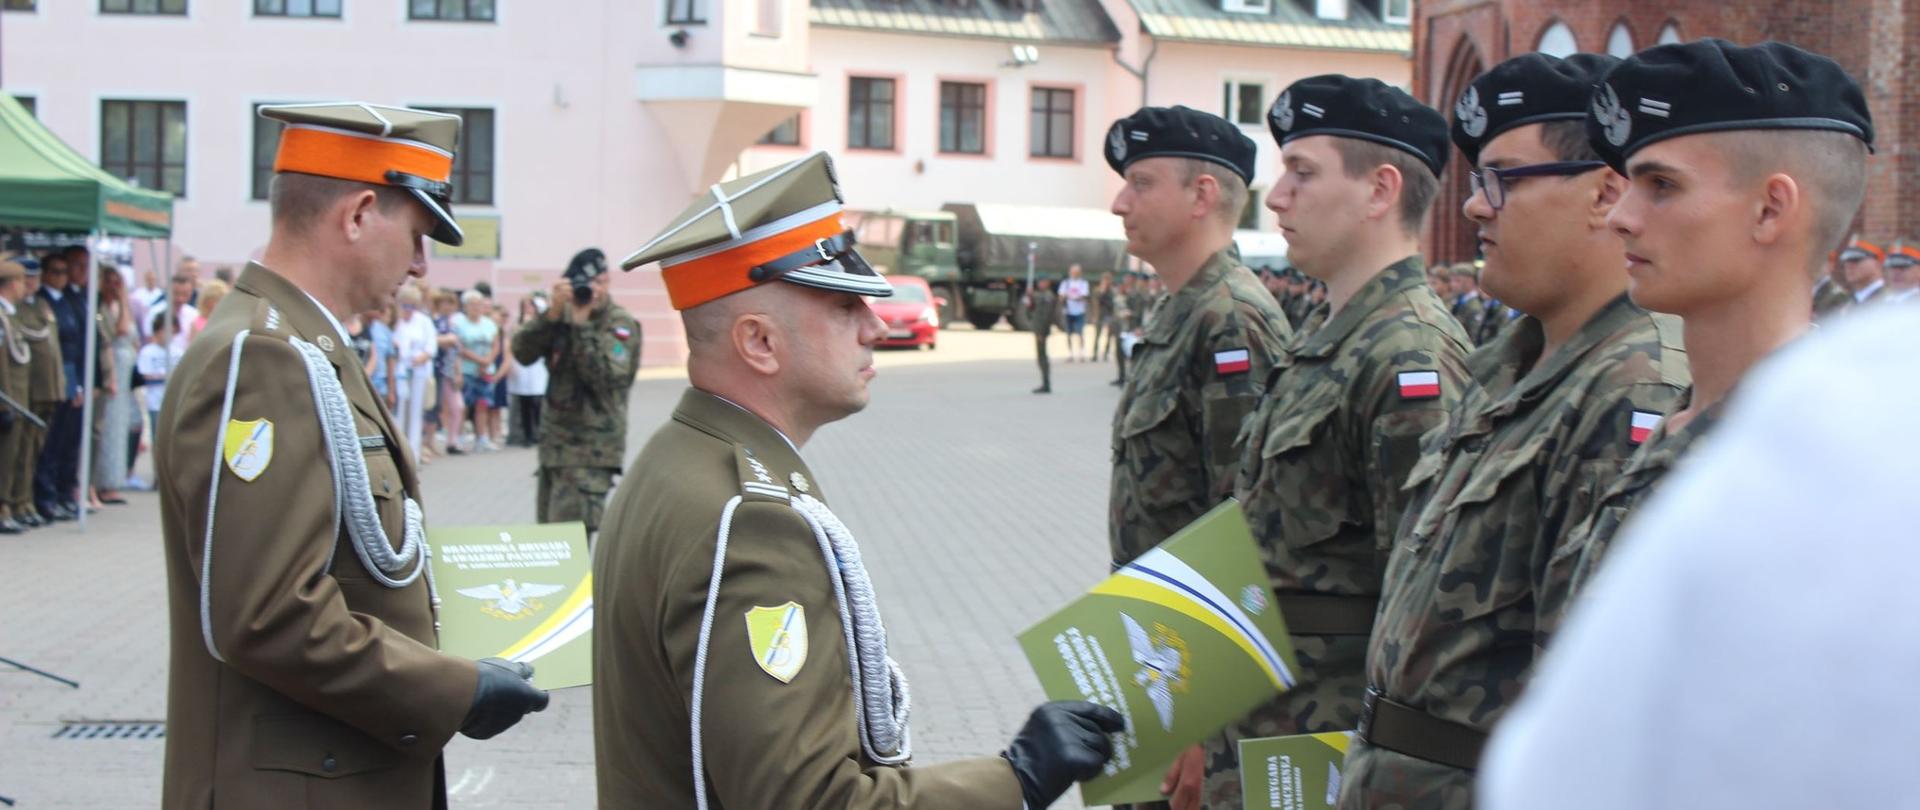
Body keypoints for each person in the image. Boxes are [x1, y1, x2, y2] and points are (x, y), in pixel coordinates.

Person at [595, 150, 1121, 809]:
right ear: (759, 343)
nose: (874, 326)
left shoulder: (682, 458)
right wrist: (1017, 776)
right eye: (846, 307)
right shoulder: (755, 521)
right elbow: (808, 799)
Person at [154, 102, 547, 808]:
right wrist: (454, 689)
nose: (423, 265)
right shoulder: (264, 360)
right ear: (360, 213)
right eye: (420, 235)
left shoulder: (305, 347)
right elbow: (268, 615)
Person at [1339, 54, 1692, 809]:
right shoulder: (1513, 365)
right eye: (1475, 181)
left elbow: (1595, 703)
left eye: (1501, 178)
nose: (1474, 207)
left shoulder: (1635, 387)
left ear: (1603, 193)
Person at [1480, 305, 1920, 810]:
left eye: (1663, 214)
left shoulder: (1840, 418)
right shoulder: (1689, 412)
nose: (1623, 220)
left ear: (1770, 219)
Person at [1184, 76, 1473, 810]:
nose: (1276, 197)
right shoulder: (1333, 338)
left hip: (1321, 747)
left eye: (1303, 173)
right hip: (1261, 726)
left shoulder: (1409, 356)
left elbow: (1420, 610)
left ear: (1380, 190)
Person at [1543, 38, 1873, 627]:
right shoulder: (1682, 421)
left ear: (1770, 210)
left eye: (1662, 186)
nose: (1620, 216)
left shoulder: (1821, 467)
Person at [509, 247, 642, 537]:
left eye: (597, 283)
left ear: (606, 282)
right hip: (554, 452)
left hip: (590, 455)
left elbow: (608, 379)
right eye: (583, 285)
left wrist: (582, 328)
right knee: (550, 547)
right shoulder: (561, 316)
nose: (590, 292)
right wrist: (551, 316)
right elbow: (522, 352)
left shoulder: (619, 324)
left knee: (570, 548)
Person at [34, 251, 84, 521]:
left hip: (70, 376)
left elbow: (75, 347)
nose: (62, 277)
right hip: (54, 378)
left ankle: (63, 493)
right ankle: (47, 497)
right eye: (56, 272)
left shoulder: (65, 300)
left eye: (65, 272)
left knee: (67, 442)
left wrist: (77, 384)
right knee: (50, 444)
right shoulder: (43, 302)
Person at [17, 257, 61, 526]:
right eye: (26, 279)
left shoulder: (42, 305)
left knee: (34, 451)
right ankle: (15, 503)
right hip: (27, 391)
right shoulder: (15, 311)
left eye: (33, 278)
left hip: (47, 389)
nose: (31, 284)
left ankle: (25, 501)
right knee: (18, 453)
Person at [90, 263, 135, 507]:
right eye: (111, 281)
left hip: (121, 371)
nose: (115, 286)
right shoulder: (99, 305)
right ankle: (96, 482)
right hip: (109, 369)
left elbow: (128, 329)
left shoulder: (116, 305)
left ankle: (111, 480)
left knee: (116, 428)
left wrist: (123, 300)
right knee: (103, 430)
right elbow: (120, 330)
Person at [0, 259, 32, 533]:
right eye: (22, 281)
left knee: (17, 456)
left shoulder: (12, 315)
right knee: (6, 459)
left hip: (20, 399)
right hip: (9, 400)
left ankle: (14, 504)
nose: (26, 286)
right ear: (11, 284)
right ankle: (3, 508)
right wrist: (6, 403)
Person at [451, 290, 500, 452]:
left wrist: (488, 360)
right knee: (464, 405)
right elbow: (459, 347)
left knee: (483, 404)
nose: (476, 307)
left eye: (478, 304)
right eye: (472, 304)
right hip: (467, 369)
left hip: (486, 370)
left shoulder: (489, 323)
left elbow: (495, 345)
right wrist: (479, 360)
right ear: (465, 306)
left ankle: (482, 438)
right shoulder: (459, 324)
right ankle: (459, 436)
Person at [393, 285, 436, 460]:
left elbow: (431, 346)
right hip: (400, 372)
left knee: (415, 412)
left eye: (412, 306)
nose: (408, 310)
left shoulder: (423, 321)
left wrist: (422, 357)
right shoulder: (396, 321)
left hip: (418, 372)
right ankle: (399, 451)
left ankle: (413, 454)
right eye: (405, 305)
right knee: (399, 411)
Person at [505, 295, 549, 447]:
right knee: (524, 402)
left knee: (537, 401)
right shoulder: (518, 324)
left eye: (531, 306)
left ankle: (538, 432)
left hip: (538, 367)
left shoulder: (542, 324)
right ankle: (527, 435)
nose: (528, 309)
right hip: (522, 365)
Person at [1025, 277, 1058, 393]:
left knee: (1042, 357)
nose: (1040, 284)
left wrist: (1042, 332)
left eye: (1043, 282)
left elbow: (1047, 316)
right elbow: (1031, 309)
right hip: (1038, 329)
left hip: (1042, 330)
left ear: (1047, 283)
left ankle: (1046, 383)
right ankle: (1044, 383)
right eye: (1039, 282)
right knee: (1040, 357)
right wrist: (1029, 299)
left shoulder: (1048, 296)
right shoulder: (1039, 295)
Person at [1838, 238, 1886, 307]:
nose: (1849, 265)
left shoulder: (1888, 300)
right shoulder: (1846, 304)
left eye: (1856, 259)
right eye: (1846, 260)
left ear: (1877, 264)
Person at [1060, 263, 1091, 361]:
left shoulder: (1083, 283)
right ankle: (1070, 353)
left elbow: (1084, 295)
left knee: (1080, 332)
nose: (1074, 274)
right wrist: (1065, 298)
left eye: (1076, 272)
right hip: (1068, 311)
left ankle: (1081, 353)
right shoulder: (1066, 283)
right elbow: (1061, 296)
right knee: (1068, 333)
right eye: (1073, 272)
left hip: (1079, 311)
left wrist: (1075, 297)